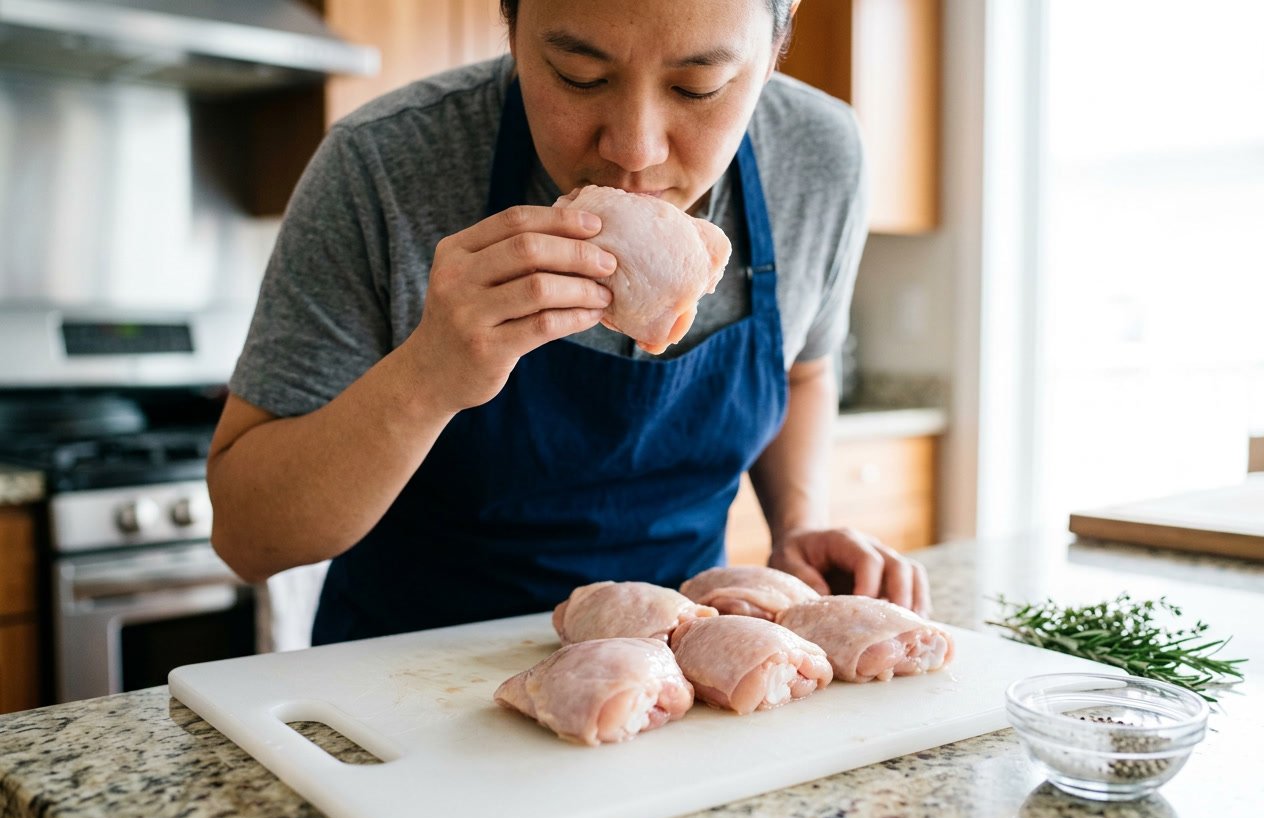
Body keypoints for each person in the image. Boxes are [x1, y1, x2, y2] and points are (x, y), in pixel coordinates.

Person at [207, 0, 931, 645]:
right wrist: (428, 376)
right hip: (411, 687)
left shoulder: (817, 156)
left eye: (696, 87)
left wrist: (798, 525)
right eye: (579, 76)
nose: (635, 149)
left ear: (775, 47)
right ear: (512, 30)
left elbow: (803, 368)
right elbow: (247, 538)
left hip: (672, 678)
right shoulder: (384, 166)